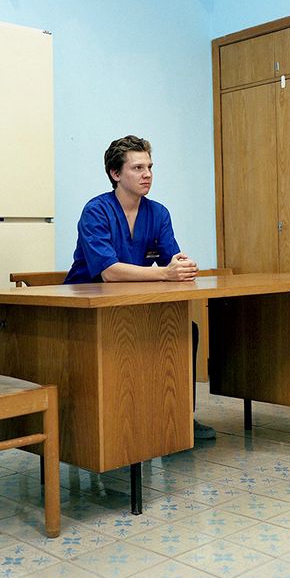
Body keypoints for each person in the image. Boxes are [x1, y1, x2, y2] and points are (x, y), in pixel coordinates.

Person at [65, 135, 216, 440]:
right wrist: (164, 274)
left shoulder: (158, 213)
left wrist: (183, 267)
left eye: (149, 166)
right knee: (122, 339)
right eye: (137, 168)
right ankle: (118, 420)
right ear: (115, 173)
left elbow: (172, 258)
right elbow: (109, 272)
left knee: (187, 330)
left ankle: (181, 416)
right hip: (87, 307)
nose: (147, 174)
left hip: (132, 302)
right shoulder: (96, 211)